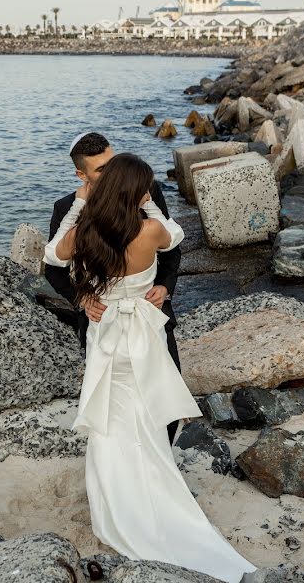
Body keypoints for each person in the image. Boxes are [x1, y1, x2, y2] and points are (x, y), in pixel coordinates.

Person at [43, 152, 258, 583]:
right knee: (147, 415)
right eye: (144, 185)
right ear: (135, 192)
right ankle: (155, 491)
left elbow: (52, 255)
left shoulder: (84, 234)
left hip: (106, 338)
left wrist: (83, 202)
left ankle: (117, 507)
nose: (149, 190)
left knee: (111, 418)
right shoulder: (151, 229)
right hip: (143, 332)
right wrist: (149, 204)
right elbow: (176, 234)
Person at [44, 132, 184, 445]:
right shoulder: (66, 207)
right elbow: (51, 270)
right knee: (110, 410)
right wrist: (81, 297)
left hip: (152, 314)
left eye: (113, 162)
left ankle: (160, 463)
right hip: (101, 322)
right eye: (101, 169)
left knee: (167, 400)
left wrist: (164, 286)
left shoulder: (144, 190)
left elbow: (172, 250)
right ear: (82, 175)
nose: (114, 172)